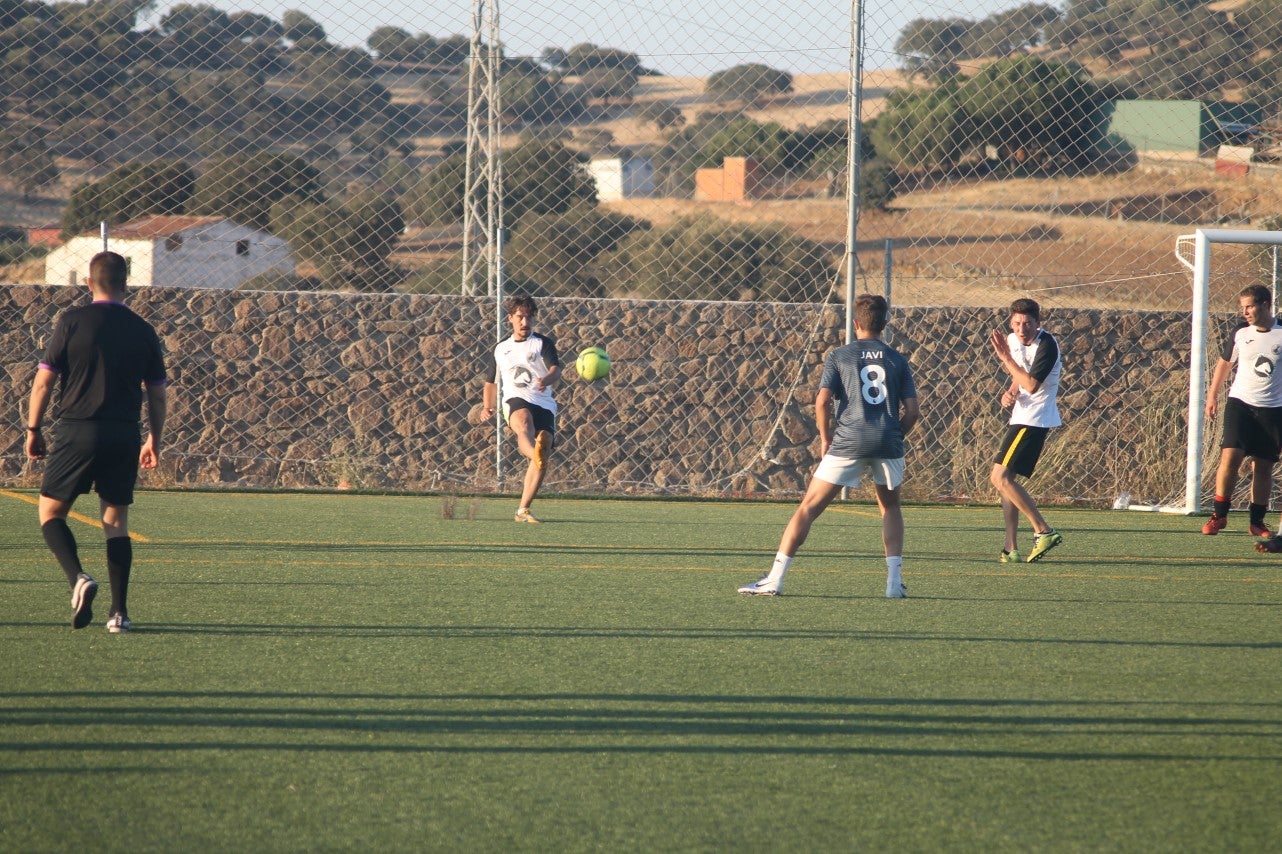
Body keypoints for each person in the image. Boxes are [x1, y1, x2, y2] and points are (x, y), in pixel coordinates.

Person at [738, 294, 919, 598]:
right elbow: (913, 411)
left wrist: (825, 438)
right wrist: (895, 435)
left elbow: (821, 400)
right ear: (885, 324)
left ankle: (775, 579)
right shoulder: (897, 360)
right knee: (890, 507)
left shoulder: (840, 356)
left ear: (855, 323)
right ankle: (892, 584)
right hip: (888, 440)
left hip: (848, 440)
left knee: (808, 508)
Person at [26, 251, 168, 633]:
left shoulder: (71, 322)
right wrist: (154, 439)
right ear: (126, 285)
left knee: (51, 514)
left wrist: (33, 429)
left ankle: (78, 578)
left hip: (76, 430)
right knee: (116, 521)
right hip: (123, 433)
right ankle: (119, 614)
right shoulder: (143, 330)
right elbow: (156, 393)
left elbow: (44, 381)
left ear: (89, 283)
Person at [1198, 285, 1282, 544]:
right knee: (1230, 456)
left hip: (1273, 408)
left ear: (1266, 305)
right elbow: (1225, 363)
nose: (1245, 312)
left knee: (1264, 465)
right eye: (1242, 307)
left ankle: (1256, 522)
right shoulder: (1240, 332)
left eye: (1250, 306)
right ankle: (1219, 515)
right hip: (1240, 403)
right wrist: (1212, 395)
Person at [989, 297, 1064, 563]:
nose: (1022, 329)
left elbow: (1031, 385)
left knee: (999, 478)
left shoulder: (1047, 345)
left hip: (1035, 420)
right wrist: (1009, 392)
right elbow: (1018, 379)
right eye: (1017, 323)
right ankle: (1011, 547)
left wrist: (1006, 358)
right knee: (1007, 483)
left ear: (1038, 324)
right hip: (1020, 416)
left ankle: (1043, 530)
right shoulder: (1011, 340)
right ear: (1011, 323)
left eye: (1028, 324)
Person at [482, 295, 562, 523]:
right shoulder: (501, 349)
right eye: (520, 317)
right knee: (524, 423)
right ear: (510, 319)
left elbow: (556, 369)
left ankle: (523, 510)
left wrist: (546, 379)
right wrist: (488, 407)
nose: (525, 322)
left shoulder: (542, 344)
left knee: (544, 440)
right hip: (515, 400)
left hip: (544, 403)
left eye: (529, 317)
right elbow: (491, 381)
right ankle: (533, 453)